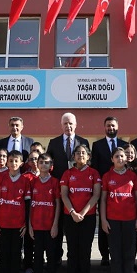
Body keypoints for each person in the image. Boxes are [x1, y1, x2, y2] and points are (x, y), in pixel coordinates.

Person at [46, 112, 90, 262]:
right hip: (60, 189)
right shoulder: (54, 142)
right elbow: (49, 164)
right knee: (58, 224)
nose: (68, 126)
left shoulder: (83, 141)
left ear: (75, 125)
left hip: (79, 191)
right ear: (61, 125)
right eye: (65, 123)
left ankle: (77, 259)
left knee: (76, 229)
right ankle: (57, 257)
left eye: (71, 123)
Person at [60, 144, 101, 273]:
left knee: (85, 253)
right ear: (73, 156)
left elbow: (96, 195)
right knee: (72, 253)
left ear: (88, 156)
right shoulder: (67, 173)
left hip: (87, 218)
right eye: (77, 153)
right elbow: (64, 195)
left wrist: (82, 213)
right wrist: (73, 212)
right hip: (70, 217)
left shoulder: (94, 173)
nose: (80, 155)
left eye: (83, 153)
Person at [100, 147, 137, 273]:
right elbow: (103, 200)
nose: (120, 158)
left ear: (126, 158)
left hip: (130, 220)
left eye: (122, 156)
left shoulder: (132, 176)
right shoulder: (107, 176)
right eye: (116, 156)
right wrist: (103, 220)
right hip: (112, 221)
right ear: (112, 159)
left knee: (129, 255)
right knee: (115, 255)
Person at [0, 150, 31, 273]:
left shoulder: (25, 180)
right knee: (4, 254)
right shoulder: (2, 178)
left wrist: (26, 223)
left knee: (15, 254)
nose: (13, 163)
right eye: (11, 161)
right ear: (7, 162)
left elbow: (28, 204)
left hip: (18, 225)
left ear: (21, 163)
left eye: (16, 161)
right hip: (3, 224)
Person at [91, 116, 128, 266]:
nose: (111, 128)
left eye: (113, 125)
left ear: (117, 127)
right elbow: (95, 167)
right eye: (108, 126)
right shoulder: (97, 145)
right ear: (104, 127)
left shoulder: (124, 144)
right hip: (104, 188)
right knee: (104, 221)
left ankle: (120, 253)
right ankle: (105, 254)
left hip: (121, 188)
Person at [28, 154, 61, 273]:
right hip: (36, 226)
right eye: (41, 162)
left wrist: (55, 224)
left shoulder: (55, 182)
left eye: (46, 162)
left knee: (51, 259)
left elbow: (58, 204)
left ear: (51, 166)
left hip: (50, 227)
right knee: (37, 260)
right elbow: (30, 204)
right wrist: (30, 225)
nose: (43, 165)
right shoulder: (33, 182)